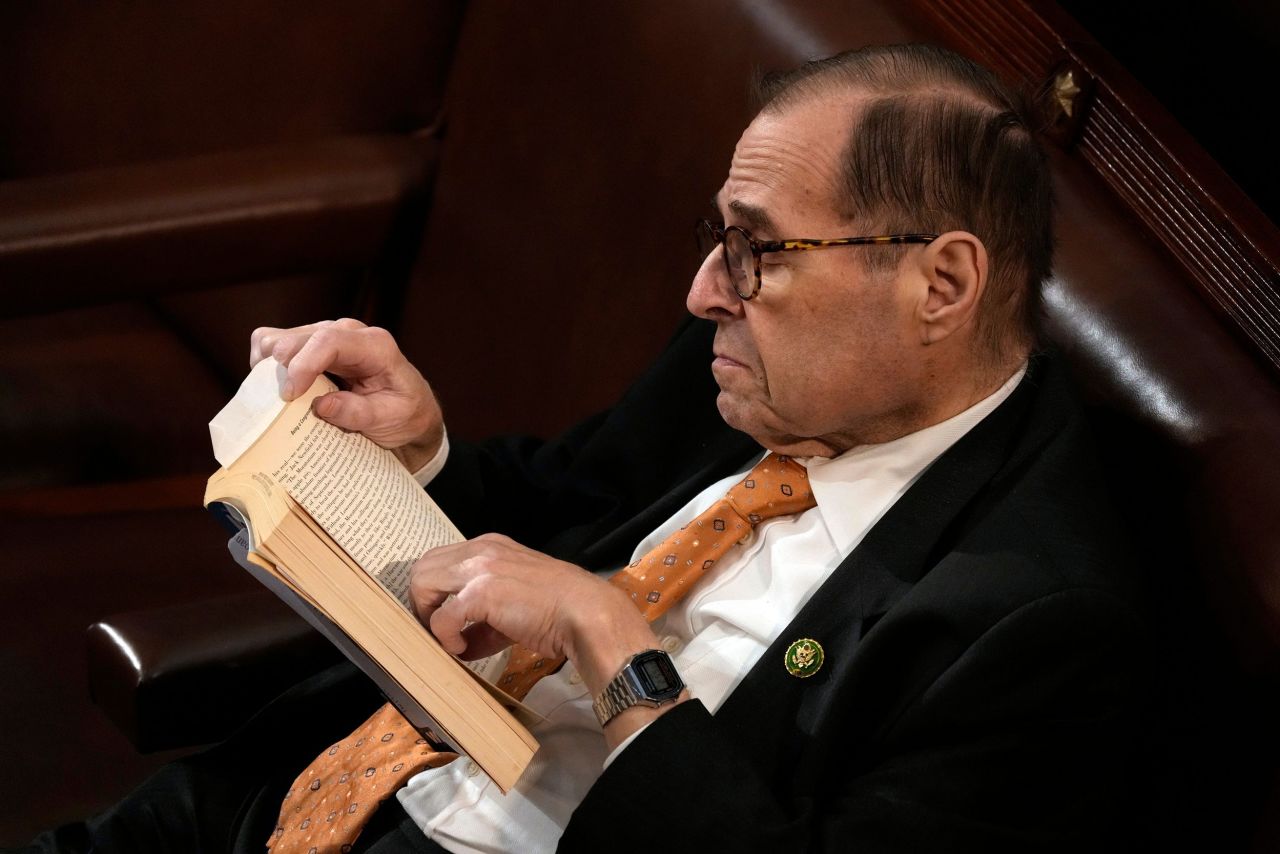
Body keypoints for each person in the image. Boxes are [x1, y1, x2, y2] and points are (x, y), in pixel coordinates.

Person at [22, 43, 1143, 853]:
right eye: (717, 237)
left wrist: (614, 643)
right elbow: (564, 497)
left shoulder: (1034, 622)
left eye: (755, 251)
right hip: (298, 793)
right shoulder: (759, 355)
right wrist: (420, 449)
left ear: (938, 284)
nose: (704, 290)